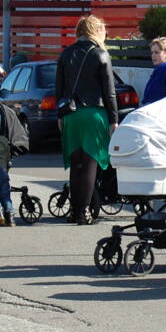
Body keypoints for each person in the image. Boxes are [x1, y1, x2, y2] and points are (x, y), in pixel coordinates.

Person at [56, 15, 118, 224]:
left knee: (76, 165)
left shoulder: (65, 54)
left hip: (71, 115)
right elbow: (109, 92)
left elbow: (59, 88)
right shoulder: (101, 54)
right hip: (94, 114)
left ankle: (74, 211)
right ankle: (83, 213)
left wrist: (59, 115)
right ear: (95, 31)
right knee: (90, 163)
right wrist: (114, 119)